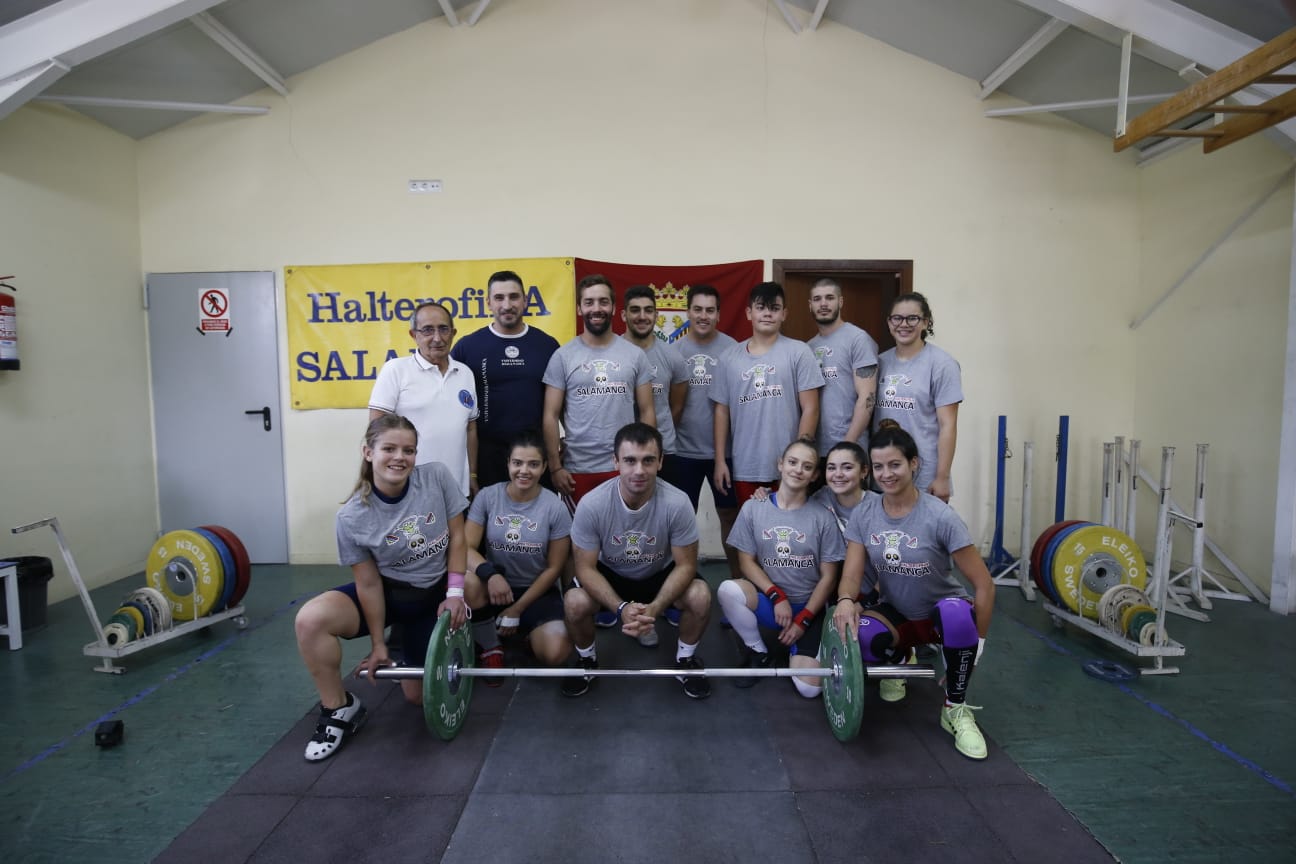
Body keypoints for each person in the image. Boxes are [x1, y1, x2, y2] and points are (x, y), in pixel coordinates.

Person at [294, 414, 468, 762]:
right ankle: (339, 708)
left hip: (432, 593)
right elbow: (368, 582)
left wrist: (455, 594)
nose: (399, 457)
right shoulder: (352, 517)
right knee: (310, 620)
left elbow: (459, 538)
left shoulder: (436, 478)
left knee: (418, 698)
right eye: (389, 448)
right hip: (387, 595)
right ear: (368, 452)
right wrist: (376, 644)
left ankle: (417, 637)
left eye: (408, 450)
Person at [832, 420, 994, 760]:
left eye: (895, 464)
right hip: (899, 613)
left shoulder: (940, 517)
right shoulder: (865, 513)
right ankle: (903, 657)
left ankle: (955, 708)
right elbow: (851, 574)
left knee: (956, 614)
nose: (887, 474)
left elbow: (984, 585)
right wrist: (846, 600)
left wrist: (977, 645)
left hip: (941, 614)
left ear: (913, 464)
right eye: (879, 467)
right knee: (858, 633)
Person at [561, 423, 712, 699]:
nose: (639, 470)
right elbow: (584, 568)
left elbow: (687, 565)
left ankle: (685, 661)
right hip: (612, 574)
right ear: (615, 461)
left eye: (648, 460)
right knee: (574, 602)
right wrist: (620, 609)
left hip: (659, 574)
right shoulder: (592, 504)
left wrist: (654, 608)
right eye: (630, 460)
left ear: (661, 462)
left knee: (700, 596)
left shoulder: (677, 503)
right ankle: (587, 661)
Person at [716, 437, 844, 695]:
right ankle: (758, 652)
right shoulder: (754, 507)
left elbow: (829, 578)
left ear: (814, 475)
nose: (798, 470)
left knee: (809, 690)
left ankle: (801, 646)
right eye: (793, 462)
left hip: (808, 608)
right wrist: (776, 595)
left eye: (807, 467)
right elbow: (745, 562)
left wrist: (803, 621)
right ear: (780, 465)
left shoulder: (823, 518)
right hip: (772, 602)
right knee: (728, 590)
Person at [711, 281, 824, 572]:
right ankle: (744, 589)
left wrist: (800, 460)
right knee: (748, 535)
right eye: (761, 308)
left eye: (774, 308)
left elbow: (810, 407)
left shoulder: (798, 352)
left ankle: (790, 593)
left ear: (784, 314)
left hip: (788, 466)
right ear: (749, 312)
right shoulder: (729, 358)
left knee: (788, 532)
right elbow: (721, 411)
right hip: (745, 463)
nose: (767, 314)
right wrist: (721, 460)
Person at [463, 429, 572, 678]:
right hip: (494, 588)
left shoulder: (555, 507)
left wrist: (517, 609)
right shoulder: (488, 497)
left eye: (533, 464)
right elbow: (465, 548)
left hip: (536, 592)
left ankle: (523, 636)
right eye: (518, 463)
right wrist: (490, 575)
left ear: (544, 467)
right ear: (508, 464)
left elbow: (554, 568)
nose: (524, 471)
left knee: (556, 653)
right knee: (468, 580)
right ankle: (491, 646)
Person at [542, 275, 655, 504]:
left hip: (625, 467)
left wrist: (646, 461)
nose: (597, 308)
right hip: (577, 470)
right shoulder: (563, 356)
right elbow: (550, 415)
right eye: (589, 302)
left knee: (626, 537)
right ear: (579, 308)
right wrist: (555, 468)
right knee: (581, 540)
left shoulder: (634, 355)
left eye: (603, 302)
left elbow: (647, 412)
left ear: (613, 308)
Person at [451, 270, 560, 489]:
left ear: (526, 301)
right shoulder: (467, 347)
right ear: (488, 303)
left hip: (535, 457)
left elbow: (560, 407)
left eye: (514, 297)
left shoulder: (547, 346)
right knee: (488, 522)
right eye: (499, 298)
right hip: (486, 458)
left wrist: (557, 460)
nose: (507, 304)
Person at [370, 301, 479, 497]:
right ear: (414, 335)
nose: (437, 338)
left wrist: (471, 474)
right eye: (427, 330)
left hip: (456, 490)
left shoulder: (465, 373)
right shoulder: (396, 370)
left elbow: (470, 428)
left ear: (453, 333)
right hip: (409, 491)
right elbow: (377, 430)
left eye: (443, 329)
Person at [873, 292, 962, 502]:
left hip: (924, 475)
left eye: (912, 318)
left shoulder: (942, 364)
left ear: (925, 322)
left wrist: (942, 477)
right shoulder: (879, 362)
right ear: (889, 322)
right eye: (897, 318)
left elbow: (948, 425)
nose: (904, 324)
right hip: (883, 472)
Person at [621, 285, 689, 489]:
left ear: (656, 315)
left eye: (648, 310)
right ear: (623, 315)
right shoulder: (612, 353)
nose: (642, 316)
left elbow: (676, 407)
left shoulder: (673, 356)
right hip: (623, 452)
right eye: (635, 310)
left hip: (663, 451)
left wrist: (658, 439)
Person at [807, 278, 878, 464]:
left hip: (850, 448)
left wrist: (848, 444)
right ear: (810, 305)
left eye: (829, 298)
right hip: (816, 451)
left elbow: (867, 397)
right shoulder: (808, 347)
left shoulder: (857, 339)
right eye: (817, 299)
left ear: (840, 302)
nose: (823, 303)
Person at [811, 440, 871, 534]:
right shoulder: (820, 498)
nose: (838, 474)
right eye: (831, 468)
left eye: (847, 467)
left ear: (864, 471)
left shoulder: (877, 505)